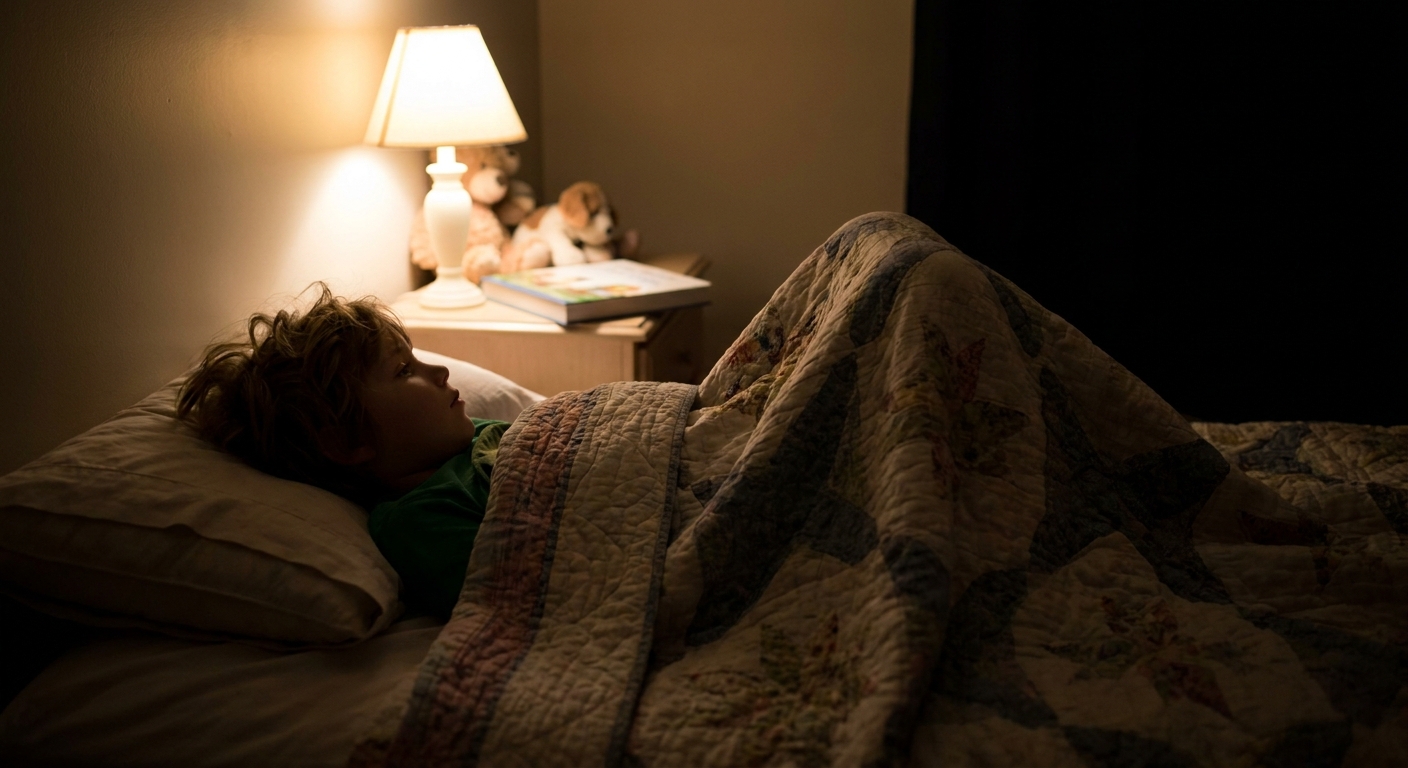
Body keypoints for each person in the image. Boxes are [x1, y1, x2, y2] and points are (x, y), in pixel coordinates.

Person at [177, 283, 504, 618]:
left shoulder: (471, 434)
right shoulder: (419, 522)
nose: (440, 372)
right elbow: (517, 586)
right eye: (403, 370)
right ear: (347, 442)